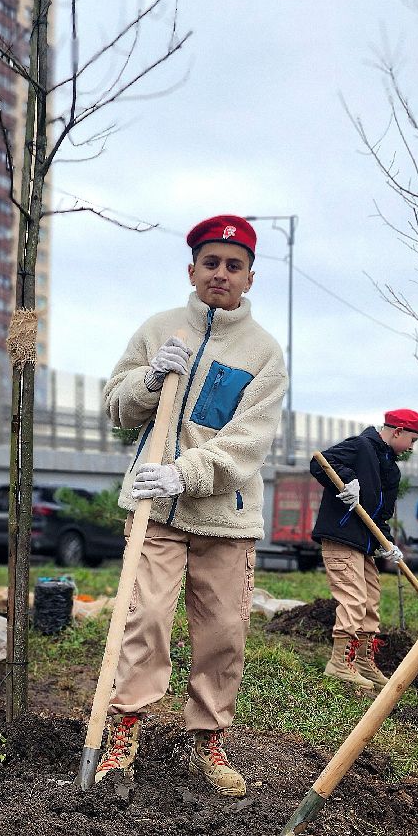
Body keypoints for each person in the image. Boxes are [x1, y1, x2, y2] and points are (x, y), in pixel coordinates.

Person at [93, 214, 287, 797]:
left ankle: (208, 736)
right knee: (144, 617)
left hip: (223, 517)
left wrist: (183, 473)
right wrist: (149, 382)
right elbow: (115, 406)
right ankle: (125, 727)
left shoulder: (264, 355)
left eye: (233, 265)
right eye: (211, 263)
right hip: (154, 510)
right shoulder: (159, 330)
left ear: (250, 276)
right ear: (192, 270)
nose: (220, 274)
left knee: (224, 630)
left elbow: (247, 445)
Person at [310, 409, 418, 692]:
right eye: (412, 440)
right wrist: (348, 479)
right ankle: (340, 663)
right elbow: (321, 463)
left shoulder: (391, 468)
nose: (412, 447)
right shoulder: (361, 446)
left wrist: (388, 545)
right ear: (397, 431)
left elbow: (380, 516)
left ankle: (362, 660)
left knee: (370, 600)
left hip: (365, 544)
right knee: (353, 598)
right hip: (341, 537)